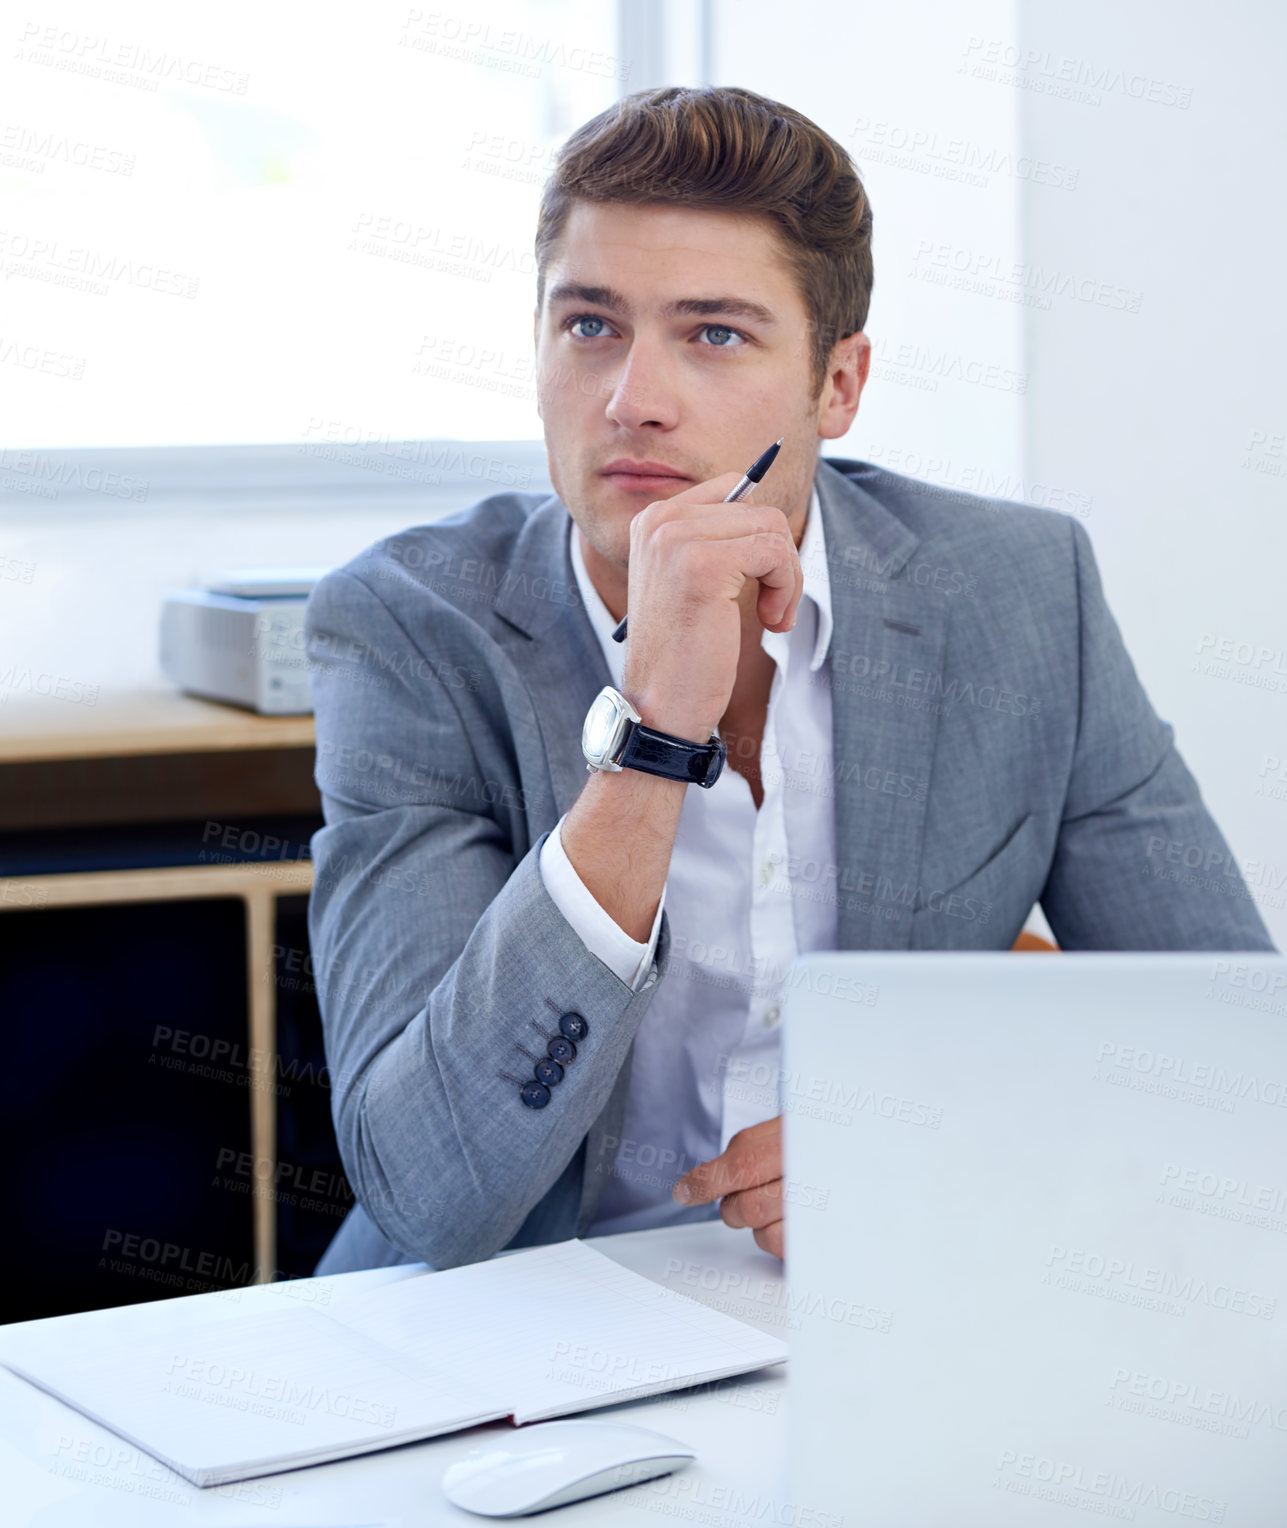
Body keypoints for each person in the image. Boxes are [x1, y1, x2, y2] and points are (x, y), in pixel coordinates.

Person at [304, 85, 1274, 1276]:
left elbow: (1233, 1058)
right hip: (504, 1332)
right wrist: (654, 736)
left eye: (714, 333)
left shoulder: (1021, 594)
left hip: (870, 1306)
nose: (631, 400)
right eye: (591, 326)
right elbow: (426, 1191)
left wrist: (944, 1143)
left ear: (839, 385)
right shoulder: (410, 626)